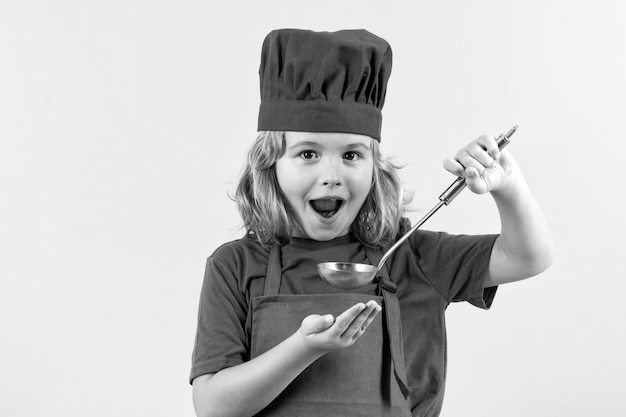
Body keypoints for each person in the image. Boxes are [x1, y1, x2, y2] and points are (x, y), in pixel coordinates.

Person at [190, 29, 554, 417]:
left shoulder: (410, 255)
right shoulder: (234, 266)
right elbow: (214, 407)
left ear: (374, 168)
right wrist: (304, 348)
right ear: (270, 165)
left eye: (351, 155)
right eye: (308, 153)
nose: (331, 174)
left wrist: (508, 185)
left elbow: (528, 258)